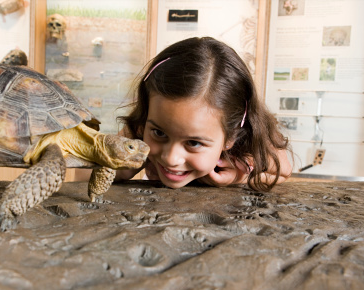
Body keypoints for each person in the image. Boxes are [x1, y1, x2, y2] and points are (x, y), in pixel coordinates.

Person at [115, 36, 292, 191]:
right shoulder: (138, 130)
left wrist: (239, 177)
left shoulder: (250, 138)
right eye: (159, 133)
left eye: (193, 142)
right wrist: (114, 169)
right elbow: (87, 171)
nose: (171, 158)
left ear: (231, 136)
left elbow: (283, 171)